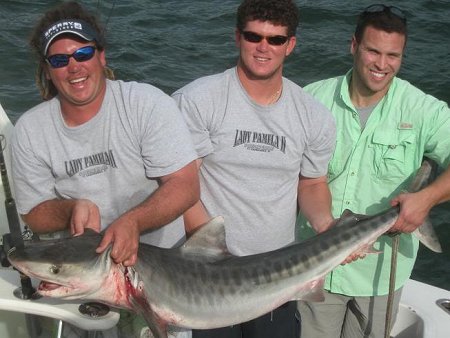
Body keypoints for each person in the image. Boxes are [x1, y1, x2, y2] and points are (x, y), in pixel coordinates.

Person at [11, 1, 199, 337]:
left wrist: (134, 221)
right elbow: (34, 214)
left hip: (161, 281)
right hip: (82, 284)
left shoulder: (145, 104)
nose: (73, 67)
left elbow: (185, 185)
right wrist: (70, 209)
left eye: (82, 53)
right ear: (48, 69)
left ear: (102, 55)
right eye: (59, 60)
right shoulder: (31, 130)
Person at [172, 0, 336, 337]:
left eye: (275, 39)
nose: (263, 47)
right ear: (237, 37)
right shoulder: (198, 100)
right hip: (210, 273)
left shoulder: (313, 115)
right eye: (253, 36)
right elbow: (180, 185)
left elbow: (312, 183)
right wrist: (218, 255)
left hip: (279, 271)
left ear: (290, 45)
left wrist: (326, 226)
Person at [297, 4, 450, 338]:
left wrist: (426, 199)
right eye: (373, 51)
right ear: (354, 46)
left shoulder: (422, 109)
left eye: (393, 55)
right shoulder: (311, 99)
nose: (382, 64)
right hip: (312, 269)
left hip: (381, 275)